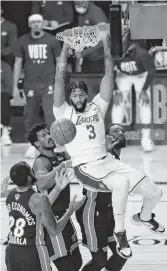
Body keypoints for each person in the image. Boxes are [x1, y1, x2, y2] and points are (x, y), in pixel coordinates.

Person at [53, 26, 165, 259]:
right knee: (122, 183)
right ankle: (121, 231)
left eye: (82, 94)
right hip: (85, 168)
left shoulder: (97, 106)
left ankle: (144, 216)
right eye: (75, 95)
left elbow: (108, 73)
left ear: (87, 94)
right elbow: (59, 75)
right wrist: (64, 47)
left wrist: (105, 42)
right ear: (70, 98)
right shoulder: (63, 112)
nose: (79, 97)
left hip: (107, 161)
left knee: (155, 193)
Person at [5, 161, 85, 271]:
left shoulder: (11, 194)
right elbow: (54, 230)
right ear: (29, 178)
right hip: (33, 252)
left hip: (12, 251)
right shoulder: (38, 199)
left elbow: (37, 208)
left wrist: (57, 188)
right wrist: (70, 211)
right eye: (31, 171)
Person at [27, 123, 83, 271]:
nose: (49, 137)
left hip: (65, 214)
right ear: (37, 144)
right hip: (53, 218)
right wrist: (63, 165)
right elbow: (41, 183)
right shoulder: (41, 162)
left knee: (76, 262)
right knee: (66, 265)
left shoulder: (60, 156)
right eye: (43, 136)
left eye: (49, 133)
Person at [76, 124, 127, 271]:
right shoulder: (97, 153)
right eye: (116, 131)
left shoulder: (116, 153)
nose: (121, 133)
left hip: (108, 212)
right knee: (99, 262)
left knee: (123, 252)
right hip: (92, 212)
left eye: (122, 131)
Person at [13, 14, 61, 159]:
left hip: (48, 82)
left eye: (38, 22)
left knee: (51, 114)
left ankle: (54, 143)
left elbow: (59, 62)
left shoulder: (52, 40)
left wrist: (60, 82)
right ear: (29, 24)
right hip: (30, 83)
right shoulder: (22, 41)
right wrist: (15, 86)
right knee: (30, 115)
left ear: (42, 23)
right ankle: (32, 145)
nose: (36, 24)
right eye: (33, 22)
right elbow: (17, 63)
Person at [112, 40, 156, 152]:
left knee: (144, 104)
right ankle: (116, 138)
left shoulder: (142, 54)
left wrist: (144, 90)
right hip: (123, 75)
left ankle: (146, 139)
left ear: (133, 45)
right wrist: (116, 90)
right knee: (117, 104)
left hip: (141, 75)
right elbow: (109, 72)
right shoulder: (114, 53)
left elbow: (151, 71)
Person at [74, 1, 108, 73]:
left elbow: (103, 39)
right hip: (88, 57)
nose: (77, 6)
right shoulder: (82, 13)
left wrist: (83, 53)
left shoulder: (96, 12)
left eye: (79, 3)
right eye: (75, 4)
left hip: (99, 58)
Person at [1, 60, 13, 145]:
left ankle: (5, 133)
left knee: (4, 98)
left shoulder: (4, 66)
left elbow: (9, 85)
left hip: (1, 93)